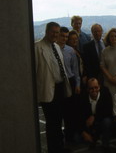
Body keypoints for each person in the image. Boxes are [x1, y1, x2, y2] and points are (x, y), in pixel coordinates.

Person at [35, 22, 72, 153]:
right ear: (46, 31)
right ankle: (53, 150)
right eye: (53, 32)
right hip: (48, 89)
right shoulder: (37, 47)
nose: (55, 35)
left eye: (57, 32)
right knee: (51, 123)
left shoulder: (56, 46)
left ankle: (60, 147)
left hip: (60, 87)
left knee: (59, 120)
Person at [57, 27, 80, 142]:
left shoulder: (70, 50)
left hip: (70, 81)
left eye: (66, 37)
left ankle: (70, 137)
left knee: (70, 111)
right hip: (58, 82)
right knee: (58, 112)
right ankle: (59, 139)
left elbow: (75, 70)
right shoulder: (53, 50)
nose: (64, 39)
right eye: (62, 36)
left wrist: (77, 84)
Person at [79, 78, 113, 152]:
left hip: (101, 119)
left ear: (99, 87)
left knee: (107, 122)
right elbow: (78, 116)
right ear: (87, 89)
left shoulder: (105, 92)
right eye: (91, 88)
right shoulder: (82, 97)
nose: (94, 90)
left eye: (96, 87)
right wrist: (83, 132)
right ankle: (92, 138)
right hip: (89, 123)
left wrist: (94, 117)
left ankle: (105, 144)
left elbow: (109, 111)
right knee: (77, 137)